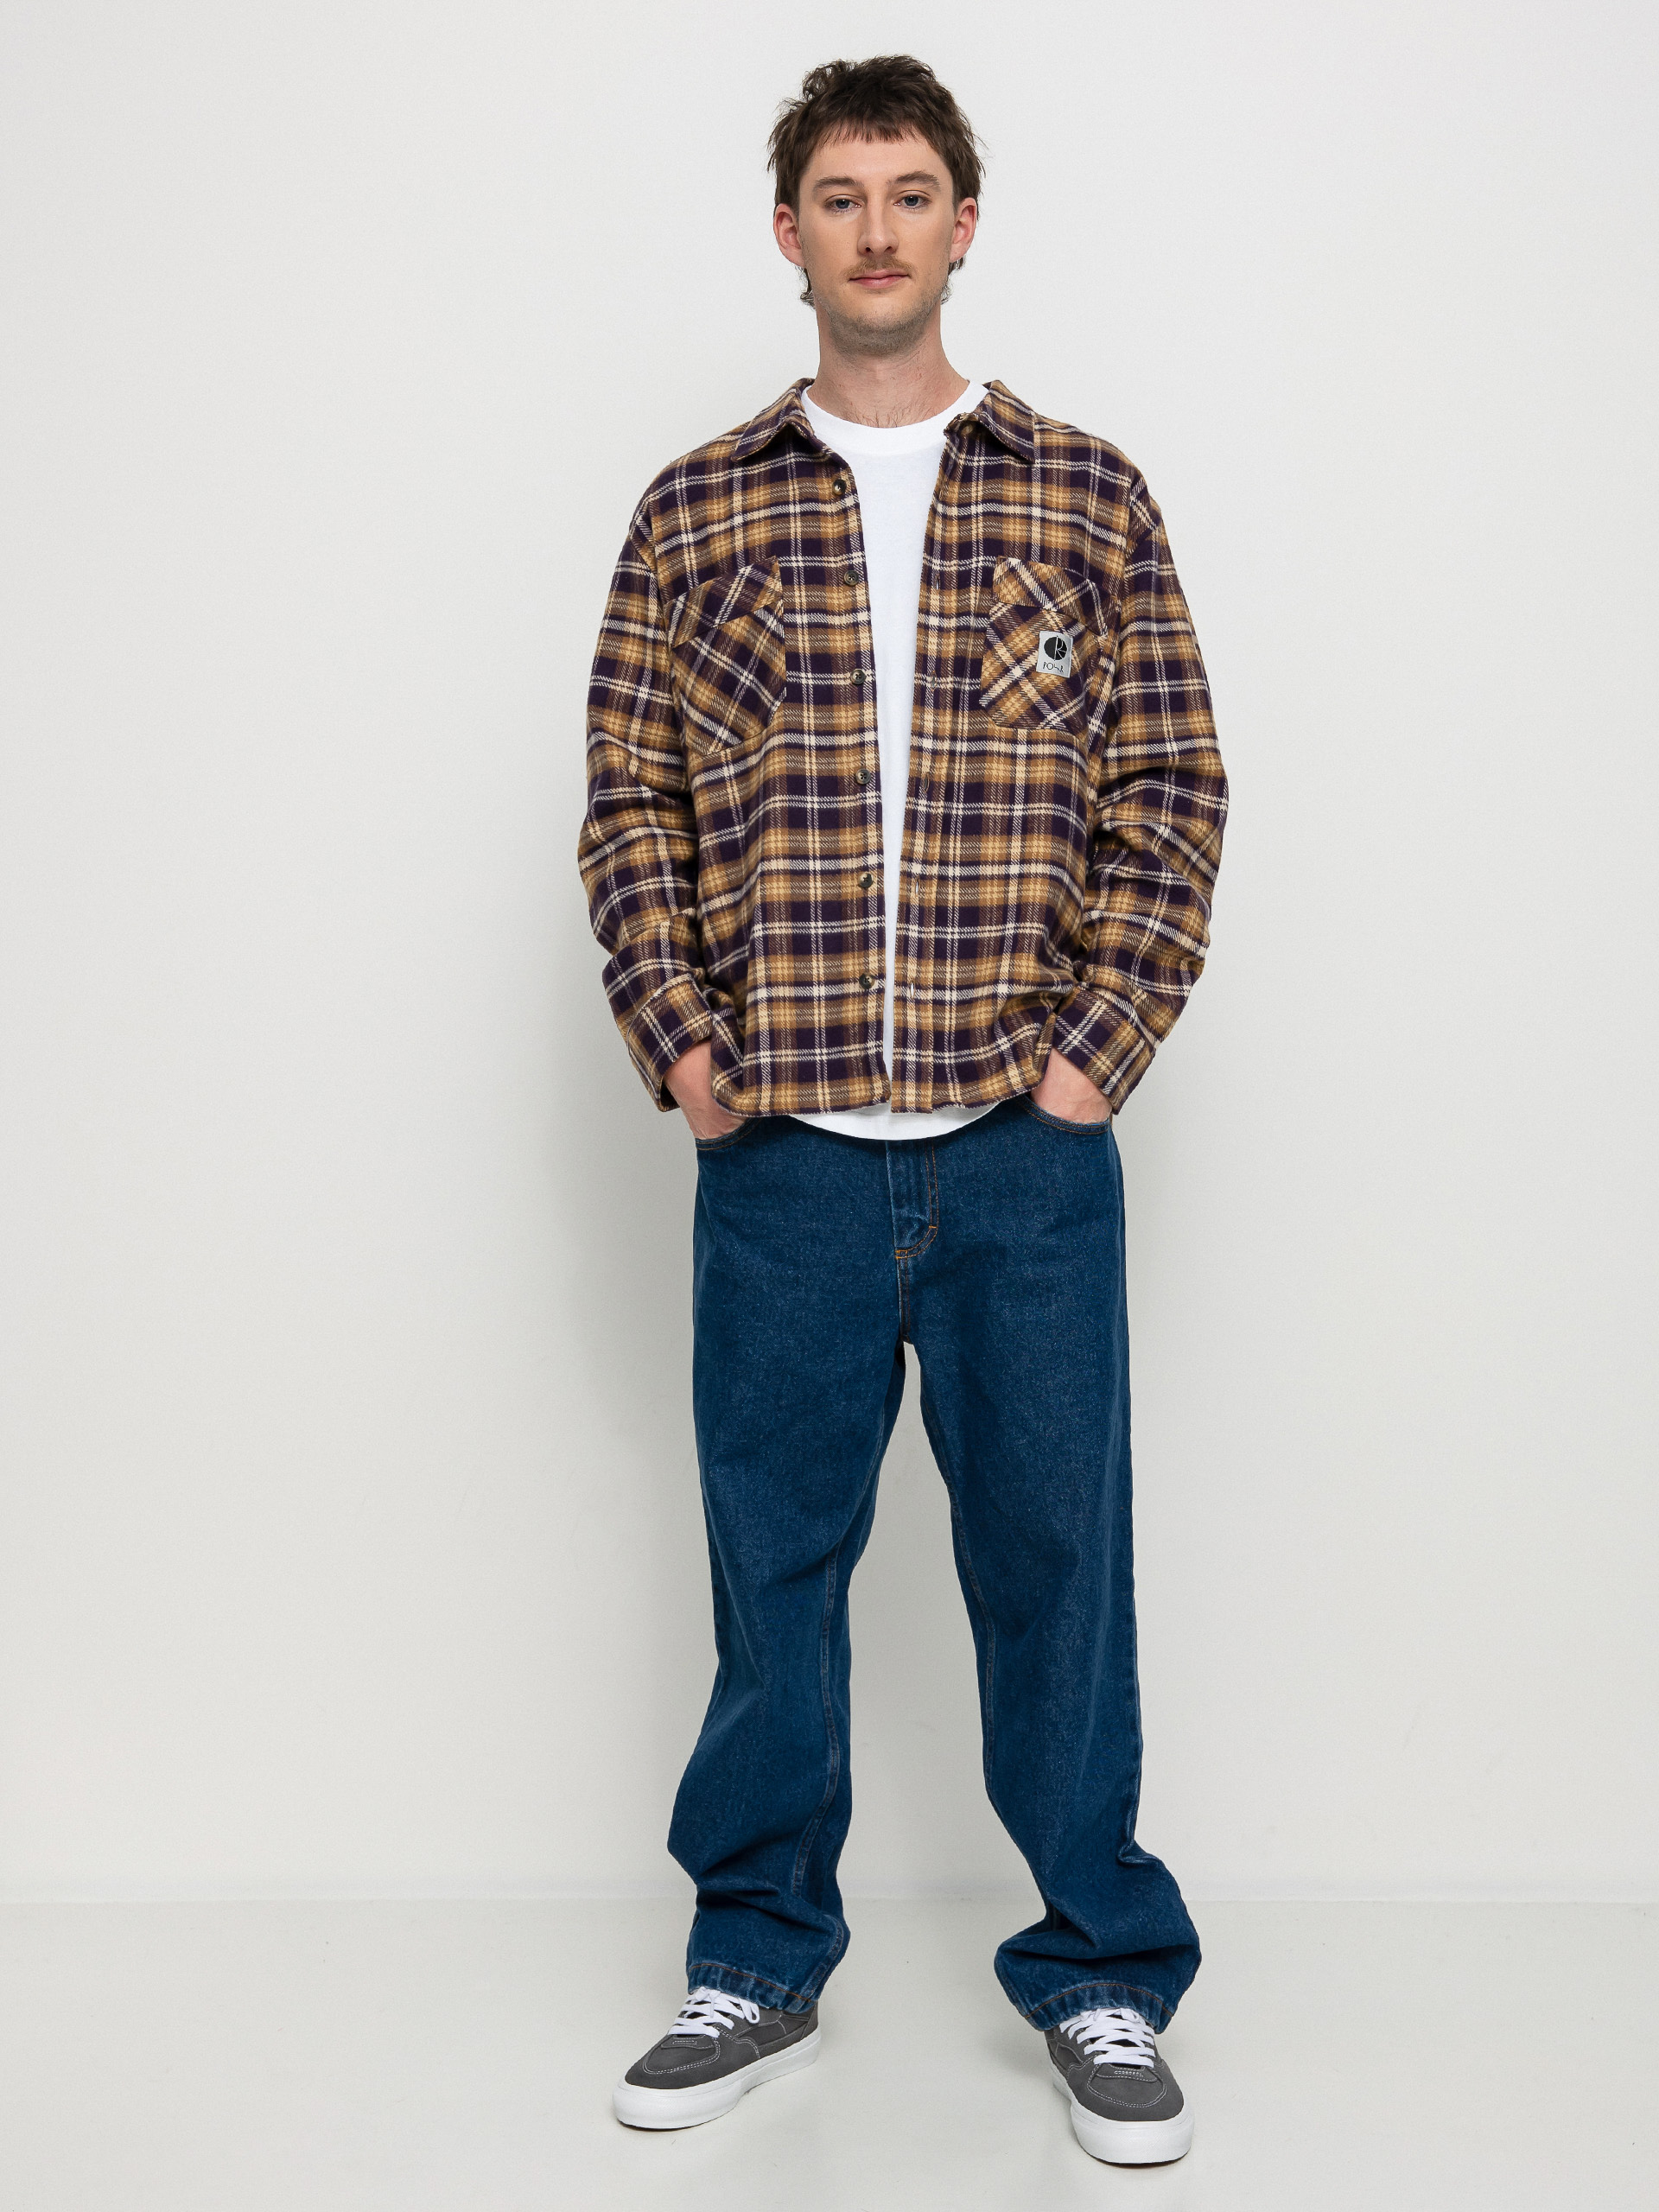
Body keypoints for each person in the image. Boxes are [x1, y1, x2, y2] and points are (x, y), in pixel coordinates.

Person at [577, 54, 1227, 2168]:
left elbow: (1171, 792)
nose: (878, 228)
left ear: (964, 223)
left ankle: (1104, 1968)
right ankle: (756, 1955)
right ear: (790, 234)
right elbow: (628, 804)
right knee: (774, 1575)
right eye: (841, 196)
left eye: (912, 192)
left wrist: (1091, 1056)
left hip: (1023, 1157)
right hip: (779, 1160)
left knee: (1059, 1572)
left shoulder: (1085, 494)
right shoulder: (696, 508)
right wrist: (683, 1044)